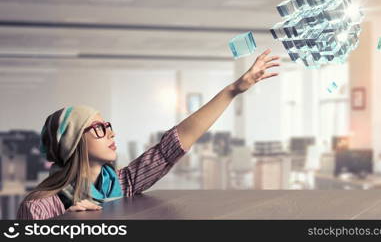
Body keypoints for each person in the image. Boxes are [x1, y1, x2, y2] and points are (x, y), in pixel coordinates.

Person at [16, 49, 280, 220]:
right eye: (98, 128)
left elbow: (172, 146)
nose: (110, 133)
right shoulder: (39, 206)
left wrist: (233, 90)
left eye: (108, 125)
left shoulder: (124, 185)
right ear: (72, 142)